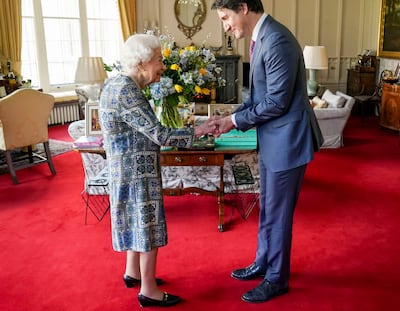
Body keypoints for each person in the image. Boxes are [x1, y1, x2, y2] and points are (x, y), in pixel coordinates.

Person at [210, 0, 323, 304]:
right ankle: (263, 262)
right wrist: (228, 118)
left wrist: (233, 122)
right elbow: (257, 96)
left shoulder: (278, 40)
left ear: (243, 7)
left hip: (289, 142)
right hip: (274, 140)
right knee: (269, 209)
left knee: (279, 214)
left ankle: (277, 278)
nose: (226, 26)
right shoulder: (262, 38)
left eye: (226, 17)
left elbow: (275, 103)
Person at [98, 34, 214, 308]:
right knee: (147, 225)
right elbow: (159, 135)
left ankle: (133, 273)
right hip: (137, 173)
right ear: (142, 62)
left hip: (125, 169)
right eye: (159, 59)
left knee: (136, 221)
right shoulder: (126, 90)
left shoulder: (117, 83)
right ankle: (148, 291)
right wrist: (199, 130)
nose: (162, 65)